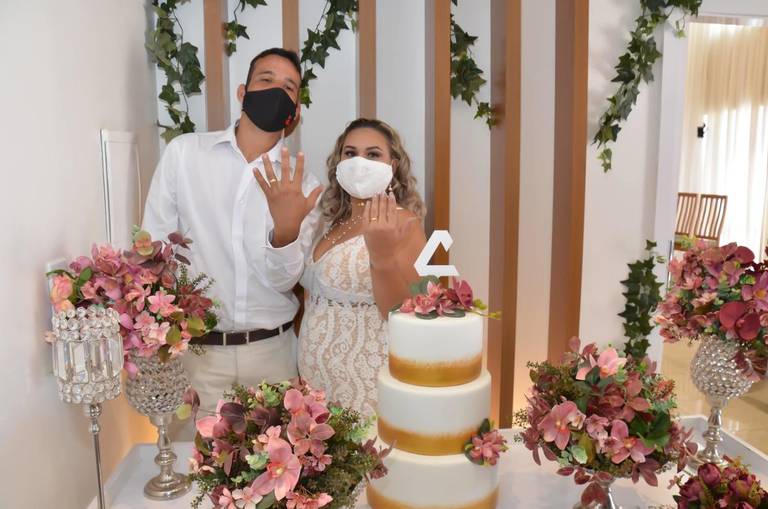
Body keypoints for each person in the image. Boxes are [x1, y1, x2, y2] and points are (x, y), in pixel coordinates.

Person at [142, 48, 322, 414]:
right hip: (197, 355)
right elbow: (154, 250)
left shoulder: (303, 185)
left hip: (273, 356)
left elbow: (285, 281)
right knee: (189, 450)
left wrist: (285, 232)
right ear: (243, 92)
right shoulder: (185, 154)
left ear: (295, 112)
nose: (276, 90)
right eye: (266, 79)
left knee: (280, 452)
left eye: (289, 87)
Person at [298, 118, 427, 417]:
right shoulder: (332, 222)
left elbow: (405, 312)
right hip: (315, 386)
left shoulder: (404, 223)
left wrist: (382, 258)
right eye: (350, 153)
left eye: (373, 154)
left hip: (364, 383)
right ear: (339, 162)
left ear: (392, 166)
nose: (360, 162)